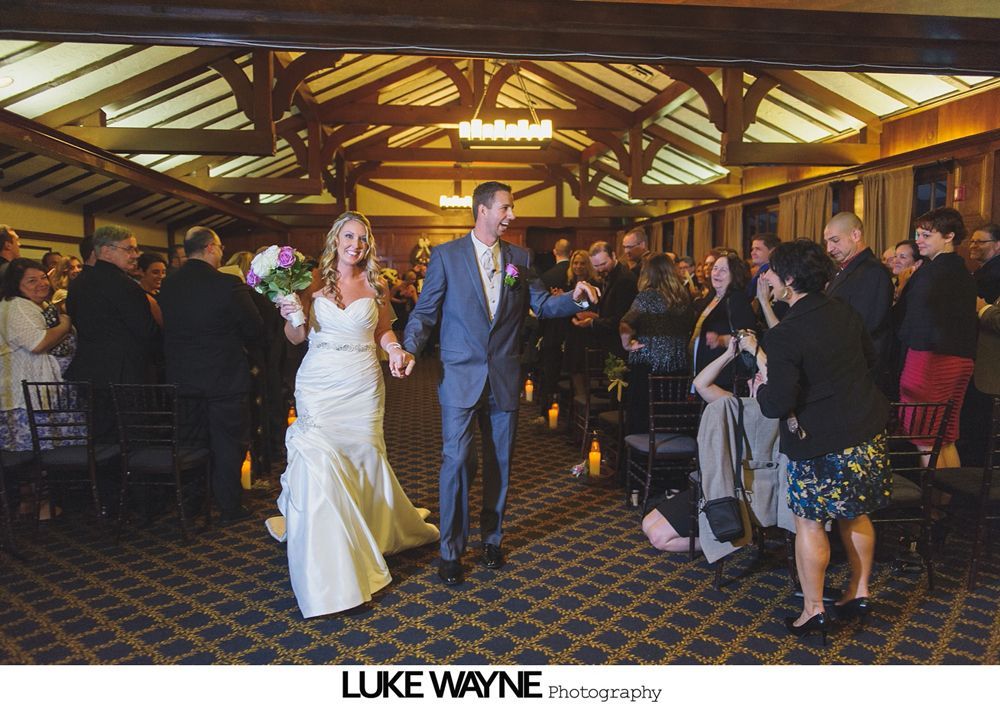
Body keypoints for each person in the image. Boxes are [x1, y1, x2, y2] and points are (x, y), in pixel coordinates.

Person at [401, 181, 598, 587]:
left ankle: (492, 537)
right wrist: (408, 349)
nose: (512, 216)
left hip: (504, 376)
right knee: (456, 463)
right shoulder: (446, 256)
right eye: (506, 208)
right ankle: (450, 550)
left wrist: (576, 298)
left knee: (500, 464)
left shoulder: (520, 258)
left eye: (512, 208)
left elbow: (541, 305)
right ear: (483, 210)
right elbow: (424, 313)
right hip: (458, 376)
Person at [265, 212, 438, 618]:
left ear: (369, 244)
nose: (355, 244)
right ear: (335, 239)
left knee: (361, 461)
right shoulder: (308, 282)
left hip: (362, 385)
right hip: (319, 385)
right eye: (348, 235)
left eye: (362, 238)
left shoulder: (376, 284)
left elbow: (382, 331)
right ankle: (329, 567)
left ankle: (368, 531)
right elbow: (296, 336)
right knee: (318, 460)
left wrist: (395, 349)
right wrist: (291, 314)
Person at [756, 238, 891, 643]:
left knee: (809, 523)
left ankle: (813, 610)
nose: (769, 278)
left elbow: (776, 403)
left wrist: (761, 385)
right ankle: (858, 591)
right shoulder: (844, 311)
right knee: (856, 512)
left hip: (819, 441)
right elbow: (871, 361)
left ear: (790, 279)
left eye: (774, 272)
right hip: (866, 429)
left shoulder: (784, 334)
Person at [158, 226, 263, 526]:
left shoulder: (169, 285)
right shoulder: (227, 284)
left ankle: (192, 502)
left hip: (182, 377)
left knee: (191, 442)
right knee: (229, 442)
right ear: (210, 248)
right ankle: (229, 506)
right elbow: (253, 328)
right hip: (224, 377)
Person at [897, 207, 978, 469]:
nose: (918, 239)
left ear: (949, 236)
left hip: (929, 358)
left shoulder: (932, 273)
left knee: (925, 438)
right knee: (945, 437)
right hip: (959, 359)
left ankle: (933, 508)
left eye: (926, 235)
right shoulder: (962, 270)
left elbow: (914, 321)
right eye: (918, 234)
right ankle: (945, 505)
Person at [65, 225, 158, 441]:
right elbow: (146, 331)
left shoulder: (78, 283)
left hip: (89, 371)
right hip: (123, 374)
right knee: (129, 439)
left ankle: (102, 475)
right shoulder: (124, 285)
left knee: (99, 438)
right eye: (129, 249)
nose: (135, 255)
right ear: (106, 251)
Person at [0, 259, 74, 451]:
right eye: (31, 281)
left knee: (49, 454)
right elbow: (38, 343)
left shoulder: (38, 304)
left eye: (43, 278)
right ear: (16, 285)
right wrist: (65, 324)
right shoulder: (17, 306)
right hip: (24, 397)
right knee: (29, 457)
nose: (41, 284)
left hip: (40, 394)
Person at [619, 253, 694, 434]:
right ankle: (670, 456)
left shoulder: (647, 296)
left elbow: (625, 323)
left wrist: (627, 344)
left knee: (644, 415)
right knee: (670, 415)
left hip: (648, 363)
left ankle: (643, 456)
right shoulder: (683, 297)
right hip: (678, 364)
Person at [823, 212, 893, 387]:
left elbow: (868, 323)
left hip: (859, 366)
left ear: (855, 235)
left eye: (835, 241)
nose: (829, 249)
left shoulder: (873, 271)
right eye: (827, 242)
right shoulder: (847, 270)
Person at [689, 249, 755, 393]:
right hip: (706, 368)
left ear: (734, 275)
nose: (716, 273)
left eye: (723, 270)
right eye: (715, 269)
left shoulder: (736, 299)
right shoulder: (711, 297)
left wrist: (721, 339)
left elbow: (748, 334)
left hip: (724, 373)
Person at [970, 223, 1000, 303]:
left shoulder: (994, 274)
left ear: (997, 245)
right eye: (972, 241)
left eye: (980, 242)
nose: (972, 246)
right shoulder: (984, 270)